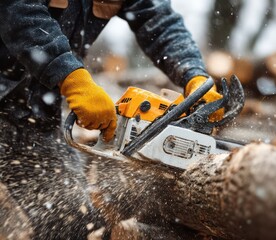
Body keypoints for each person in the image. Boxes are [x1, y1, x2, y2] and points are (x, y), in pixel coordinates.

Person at [0, 0, 223, 239]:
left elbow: (159, 20)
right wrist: (70, 76)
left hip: (35, 116)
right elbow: (17, 10)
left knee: (75, 219)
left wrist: (193, 74)